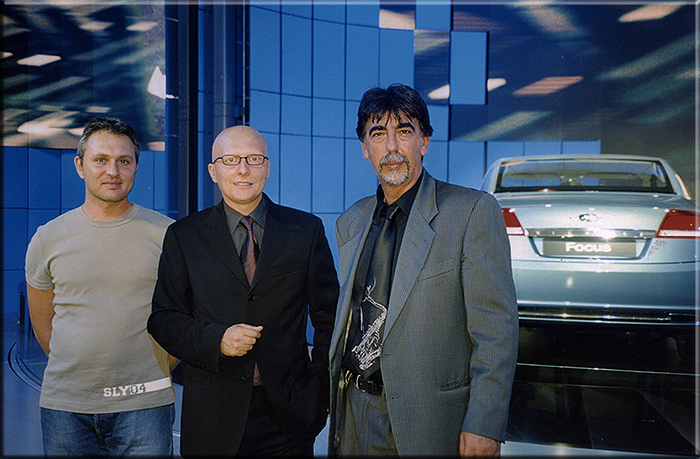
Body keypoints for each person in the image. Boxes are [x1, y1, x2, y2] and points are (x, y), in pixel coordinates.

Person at [328, 84, 519, 457]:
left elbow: (496, 331)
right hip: (353, 412)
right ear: (365, 150)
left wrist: (484, 422)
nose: (392, 147)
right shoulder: (350, 221)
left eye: (405, 131)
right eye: (378, 134)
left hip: (428, 421)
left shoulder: (471, 212)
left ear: (424, 142)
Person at [147, 125, 339, 456]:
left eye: (254, 159)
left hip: (289, 414)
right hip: (212, 416)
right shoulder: (185, 236)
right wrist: (216, 339)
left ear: (267, 166)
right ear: (213, 171)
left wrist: (318, 390)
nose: (243, 169)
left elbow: (330, 317)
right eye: (231, 159)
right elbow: (163, 319)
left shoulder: (305, 231)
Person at [25, 117, 176, 456]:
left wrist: (160, 369)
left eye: (124, 161)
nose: (113, 171)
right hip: (67, 406)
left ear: (136, 165)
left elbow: (188, 314)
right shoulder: (48, 238)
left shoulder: (168, 235)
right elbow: (43, 323)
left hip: (146, 405)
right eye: (101, 160)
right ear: (80, 166)